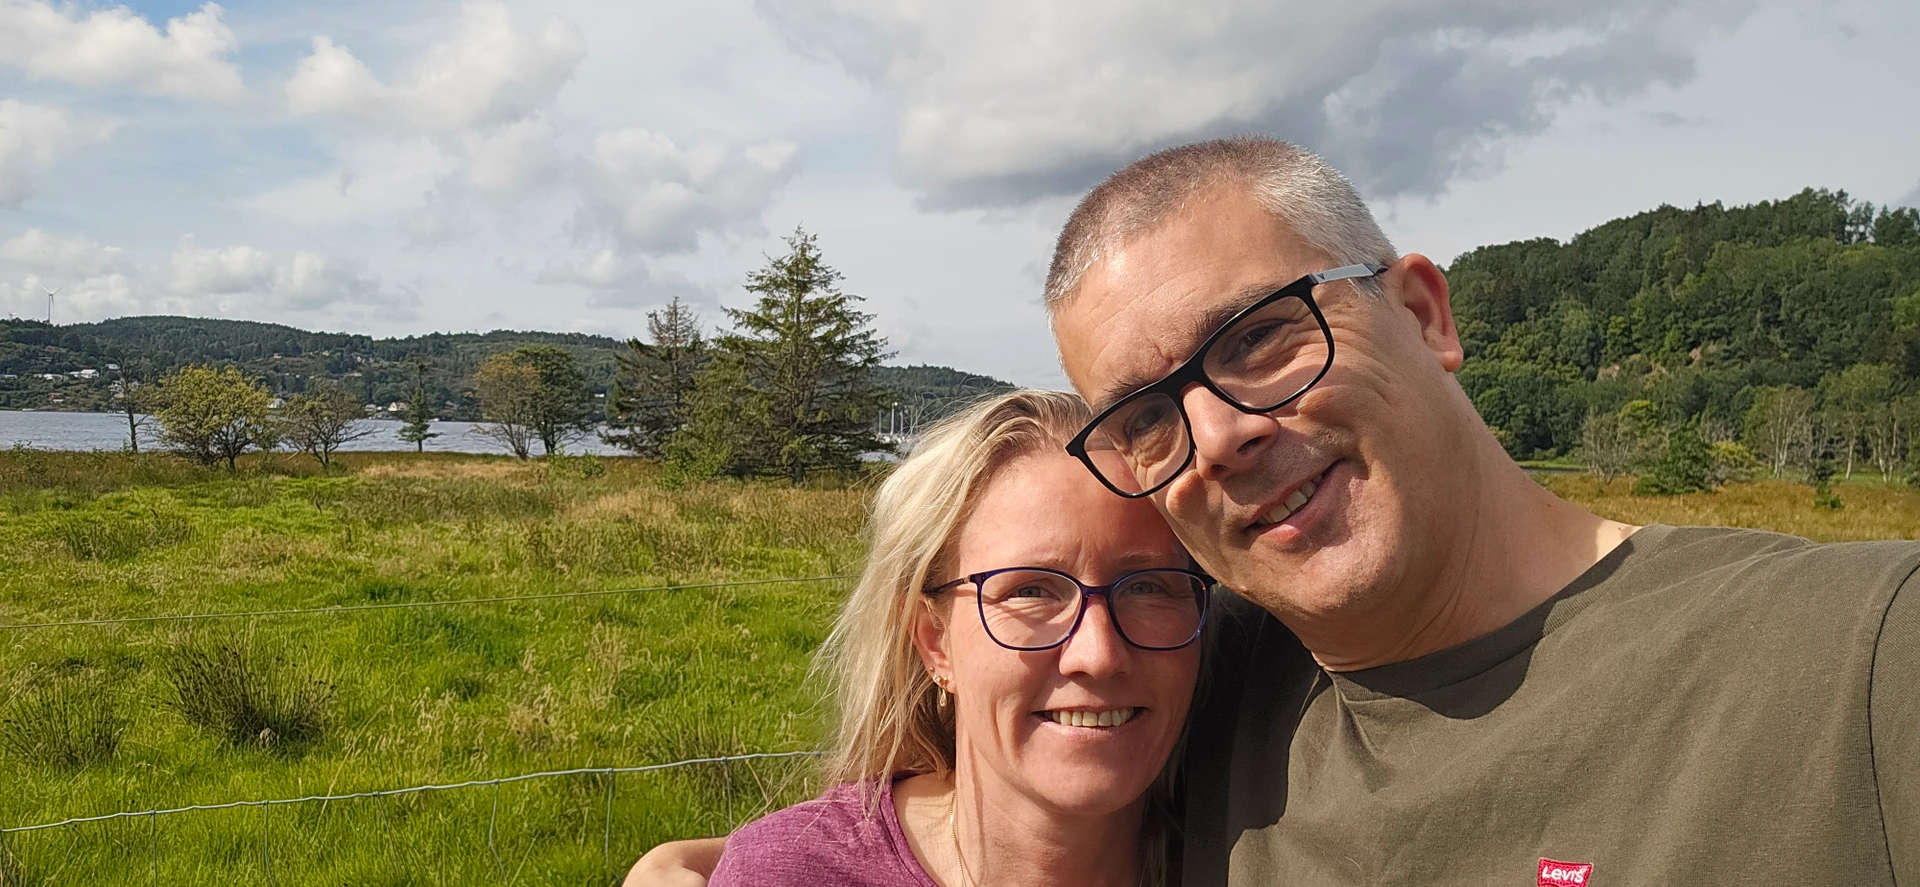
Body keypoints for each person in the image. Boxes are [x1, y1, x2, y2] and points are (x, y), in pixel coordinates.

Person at [1043, 135, 1919, 884]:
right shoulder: (1180, 694)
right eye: (1145, 419)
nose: (1216, 438)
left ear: (1424, 314)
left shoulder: (1864, 655)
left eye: (1260, 335)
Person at [677, 390, 1210, 887]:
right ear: (935, 641)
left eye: (1147, 587)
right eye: (1030, 591)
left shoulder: (1246, 853)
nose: (1098, 653)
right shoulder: (798, 872)